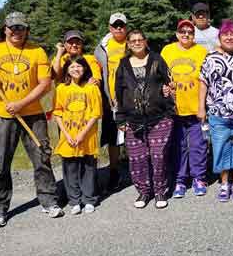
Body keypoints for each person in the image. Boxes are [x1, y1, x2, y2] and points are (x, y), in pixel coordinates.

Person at [0, 11, 62, 229]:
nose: (16, 32)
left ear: (26, 30)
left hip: (32, 115)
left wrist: (21, 104)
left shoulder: (37, 51)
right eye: (12, 28)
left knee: (42, 157)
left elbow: (45, 84)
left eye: (20, 28)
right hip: (2, 116)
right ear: (5, 29)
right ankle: (0, 208)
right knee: (0, 162)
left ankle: (49, 200)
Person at [115, 30, 175, 209]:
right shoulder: (123, 64)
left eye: (140, 39)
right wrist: (120, 119)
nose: (137, 43)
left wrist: (168, 94)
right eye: (133, 40)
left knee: (158, 157)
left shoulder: (157, 59)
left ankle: (160, 191)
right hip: (133, 120)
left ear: (146, 41)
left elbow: (170, 83)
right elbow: (119, 93)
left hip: (159, 117)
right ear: (128, 43)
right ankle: (144, 191)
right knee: (137, 159)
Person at [198, 20, 233, 203]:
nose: (229, 37)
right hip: (217, 112)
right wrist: (200, 107)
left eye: (232, 34)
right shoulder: (211, 57)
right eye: (225, 35)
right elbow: (203, 83)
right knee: (220, 148)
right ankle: (224, 183)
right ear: (219, 38)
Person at [161, 19, 209, 198]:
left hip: (196, 107)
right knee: (177, 146)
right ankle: (180, 180)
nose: (186, 34)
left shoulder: (201, 51)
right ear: (177, 34)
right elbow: (160, 75)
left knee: (198, 145)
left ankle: (199, 178)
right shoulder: (168, 50)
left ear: (194, 35)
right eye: (183, 31)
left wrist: (203, 106)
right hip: (174, 108)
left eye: (190, 31)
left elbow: (207, 79)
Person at [52, 56, 102, 215]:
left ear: (85, 68)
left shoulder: (91, 88)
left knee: (88, 167)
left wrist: (82, 134)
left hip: (86, 135)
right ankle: (74, 200)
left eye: (79, 66)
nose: (76, 69)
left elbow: (96, 114)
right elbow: (57, 112)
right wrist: (66, 134)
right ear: (67, 69)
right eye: (72, 67)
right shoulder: (61, 89)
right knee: (70, 167)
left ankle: (89, 199)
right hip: (68, 135)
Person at [94, 12, 128, 191]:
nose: (119, 28)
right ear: (110, 27)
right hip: (110, 99)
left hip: (131, 98)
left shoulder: (134, 43)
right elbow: (94, 69)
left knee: (135, 134)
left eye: (122, 25)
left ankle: (140, 170)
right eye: (115, 25)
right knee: (112, 137)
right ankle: (114, 171)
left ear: (126, 27)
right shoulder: (102, 47)